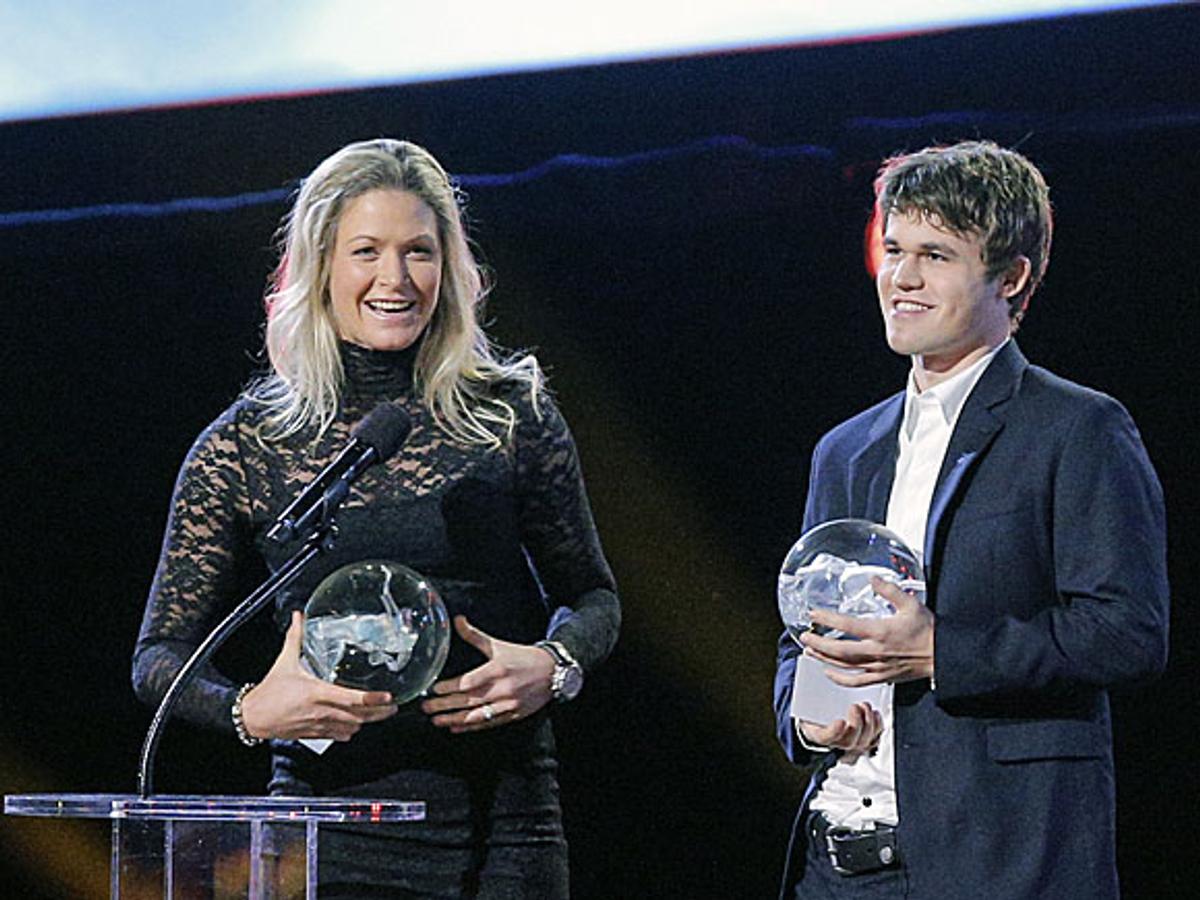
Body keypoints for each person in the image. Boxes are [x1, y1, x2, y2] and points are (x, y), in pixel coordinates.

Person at [133, 138, 620, 898]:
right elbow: (158, 657)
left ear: (449, 268)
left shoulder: (511, 416)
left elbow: (593, 595)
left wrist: (555, 665)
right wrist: (248, 711)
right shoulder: (248, 444)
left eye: (418, 252)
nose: (395, 279)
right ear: (321, 264)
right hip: (325, 832)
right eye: (366, 251)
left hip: (504, 824)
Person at [773, 140, 1168, 899]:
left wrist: (938, 651)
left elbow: (1127, 632)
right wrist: (806, 715)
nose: (902, 277)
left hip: (992, 865)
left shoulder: (1076, 428)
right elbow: (800, 632)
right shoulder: (846, 450)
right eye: (894, 250)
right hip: (835, 865)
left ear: (1010, 277)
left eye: (936, 255)